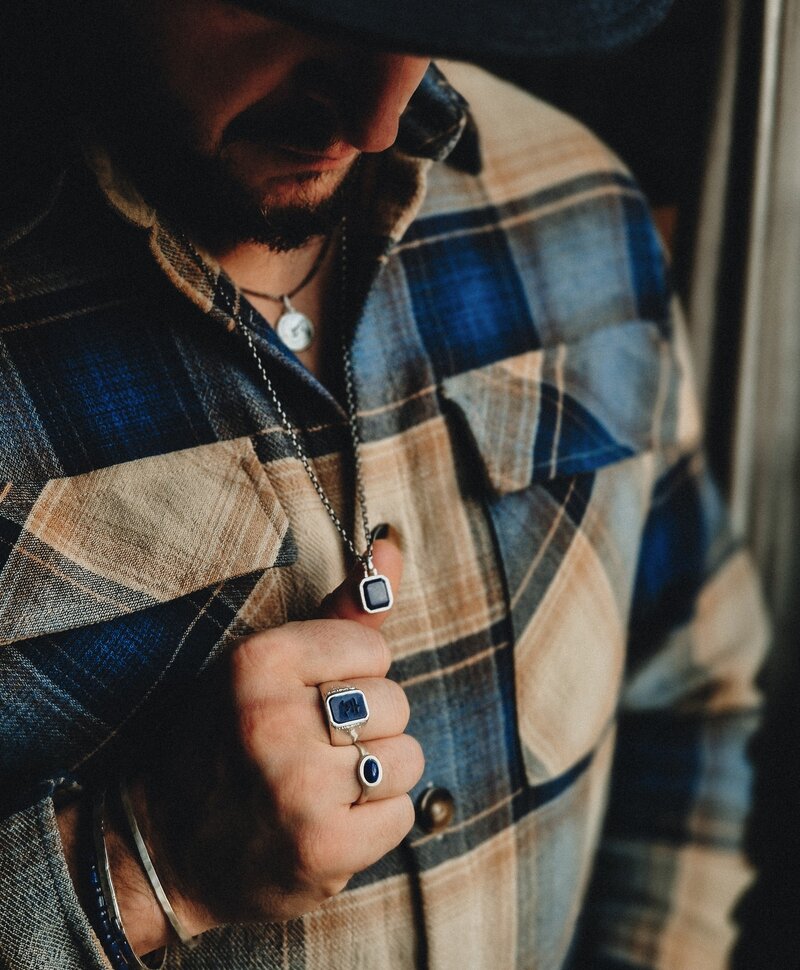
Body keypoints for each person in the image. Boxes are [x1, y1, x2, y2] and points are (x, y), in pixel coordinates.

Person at [0, 1, 769, 968]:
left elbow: (690, 687)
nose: (376, 119)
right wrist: (138, 864)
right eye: (302, 9)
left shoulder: (575, 207)